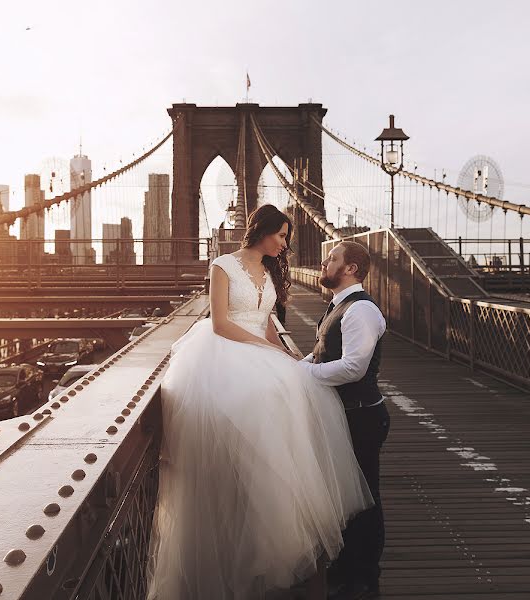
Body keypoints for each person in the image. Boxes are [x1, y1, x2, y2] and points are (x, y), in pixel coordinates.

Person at [146, 205, 373, 600]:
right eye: (282, 235)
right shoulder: (222, 265)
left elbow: (266, 319)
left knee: (278, 445)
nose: (285, 244)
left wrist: (279, 352)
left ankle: (264, 546)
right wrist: (264, 350)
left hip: (257, 353)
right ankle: (228, 549)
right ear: (264, 231)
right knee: (233, 454)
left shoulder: (268, 271)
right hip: (222, 355)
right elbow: (220, 322)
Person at [300, 241, 389, 600]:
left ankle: (364, 577)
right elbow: (322, 352)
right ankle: (347, 565)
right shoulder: (338, 307)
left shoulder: (361, 311)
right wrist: (295, 367)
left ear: (351, 269)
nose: (324, 262)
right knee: (346, 497)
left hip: (363, 417)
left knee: (364, 498)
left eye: (333, 258)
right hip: (345, 417)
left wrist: (304, 377)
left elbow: (354, 367)